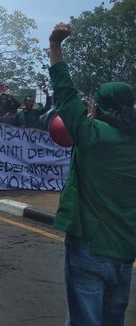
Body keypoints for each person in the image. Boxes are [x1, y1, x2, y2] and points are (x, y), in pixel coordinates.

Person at [49, 22, 136, 326]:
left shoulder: (93, 135)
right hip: (125, 253)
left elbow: (65, 95)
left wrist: (56, 46)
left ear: (100, 108)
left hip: (89, 249)